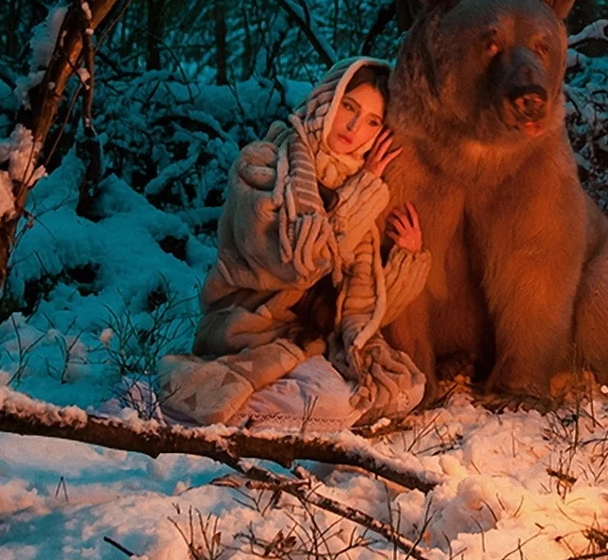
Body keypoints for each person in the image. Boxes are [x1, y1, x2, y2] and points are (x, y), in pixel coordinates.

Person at [159, 57, 431, 431]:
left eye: (373, 122)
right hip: (249, 328)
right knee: (335, 402)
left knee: (403, 389)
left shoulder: (356, 187)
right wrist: (361, 194)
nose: (354, 128)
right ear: (326, 101)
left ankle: (268, 404)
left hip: (312, 342)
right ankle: (194, 396)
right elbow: (299, 264)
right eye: (348, 108)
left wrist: (406, 259)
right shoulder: (264, 163)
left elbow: (364, 312)